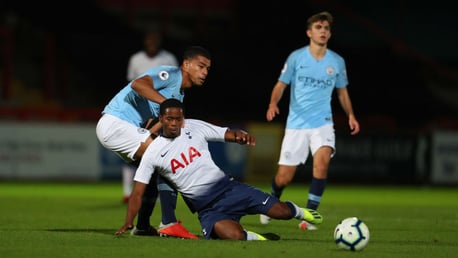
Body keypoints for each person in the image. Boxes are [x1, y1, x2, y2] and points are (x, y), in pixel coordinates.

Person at [115, 98, 323, 240]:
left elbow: (225, 133)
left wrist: (240, 137)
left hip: (230, 190)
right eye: (169, 119)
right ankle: (260, 239)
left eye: (178, 119)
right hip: (208, 209)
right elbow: (138, 192)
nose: (174, 123)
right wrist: (128, 221)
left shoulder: (193, 127)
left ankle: (300, 212)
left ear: (183, 118)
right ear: (161, 120)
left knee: (282, 212)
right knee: (233, 236)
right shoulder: (152, 152)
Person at [96, 46, 211, 239]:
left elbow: (153, 124)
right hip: (115, 123)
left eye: (208, 68)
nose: (205, 72)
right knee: (167, 160)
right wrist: (167, 105)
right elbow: (138, 84)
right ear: (186, 64)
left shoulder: (179, 96)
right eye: (201, 66)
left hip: (123, 129)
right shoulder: (171, 74)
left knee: (154, 170)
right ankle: (169, 223)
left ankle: (142, 226)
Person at [260, 11, 360, 231]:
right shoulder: (296, 57)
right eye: (318, 27)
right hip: (296, 124)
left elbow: (342, 92)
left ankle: (309, 216)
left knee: (322, 164)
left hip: (323, 122)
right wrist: (273, 104)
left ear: (330, 33)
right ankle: (271, 202)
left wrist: (351, 115)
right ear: (309, 32)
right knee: (284, 177)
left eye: (326, 28)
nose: (323, 31)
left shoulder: (336, 61)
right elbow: (280, 85)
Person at [122, 29, 179, 204]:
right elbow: (131, 85)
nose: (153, 42)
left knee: (162, 150)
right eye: (150, 39)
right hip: (139, 111)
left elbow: (175, 84)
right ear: (145, 41)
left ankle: (163, 190)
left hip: (163, 110)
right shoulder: (136, 59)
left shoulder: (168, 59)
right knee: (134, 149)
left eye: (156, 39)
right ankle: (127, 192)